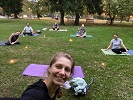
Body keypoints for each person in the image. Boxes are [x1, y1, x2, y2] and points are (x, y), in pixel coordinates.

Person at [0, 52, 75, 100]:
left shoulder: (55, 88)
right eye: (58, 67)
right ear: (49, 68)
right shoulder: (36, 94)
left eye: (67, 69)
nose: (62, 72)